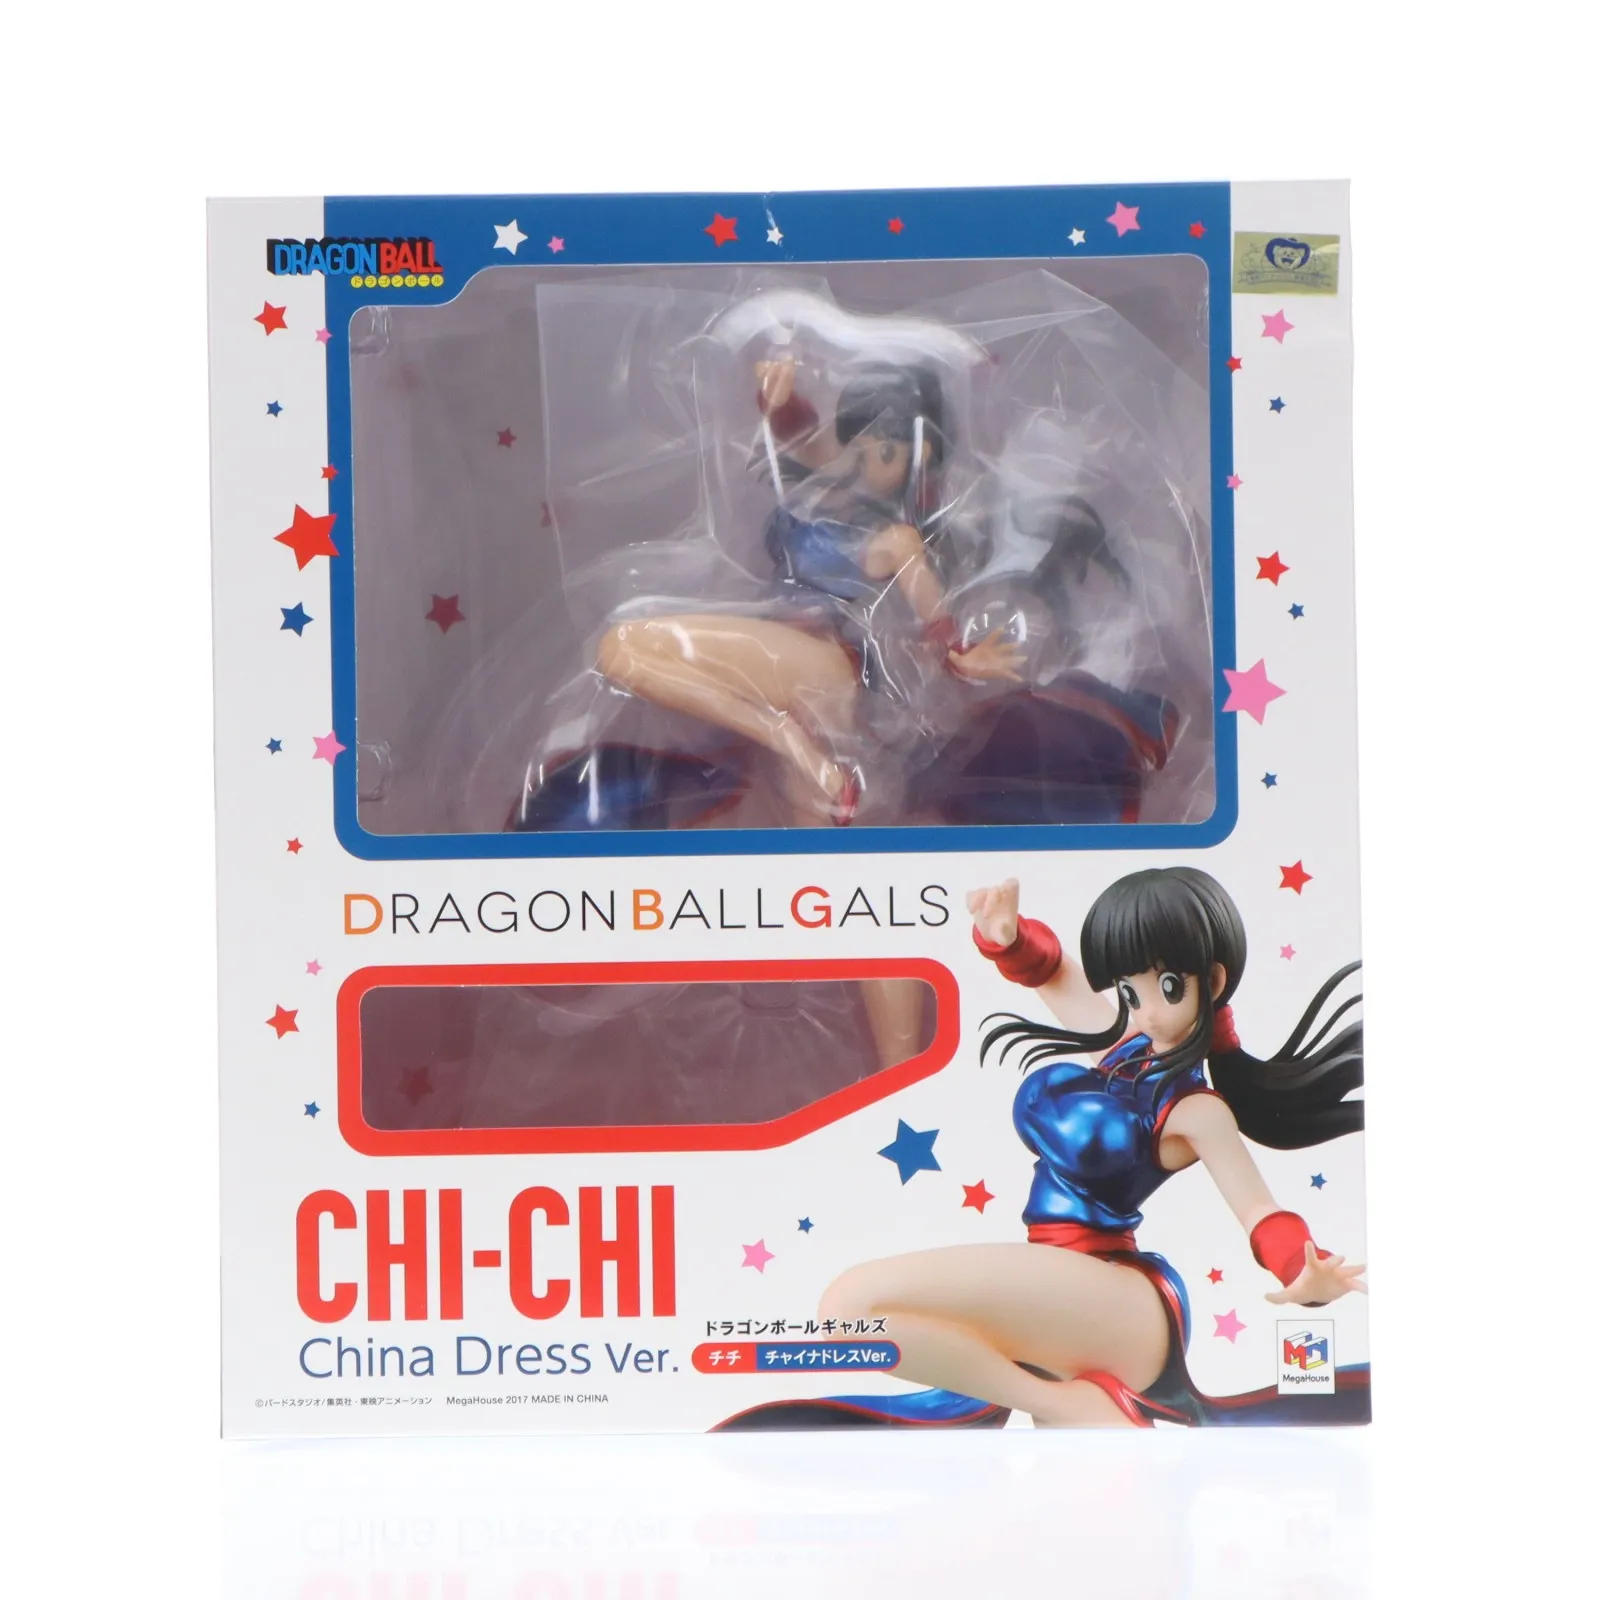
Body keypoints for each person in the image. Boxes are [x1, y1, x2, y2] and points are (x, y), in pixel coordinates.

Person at [717, 866, 1368, 1429]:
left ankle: (1071, 1404)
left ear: (1212, 980)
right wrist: (1006, 935)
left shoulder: (1197, 1110)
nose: (1142, 1009)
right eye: (1129, 991)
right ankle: (1066, 1408)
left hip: (1117, 1302)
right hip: (1065, 1292)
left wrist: (1303, 1271)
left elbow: (1260, 1212)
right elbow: (1052, 973)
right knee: (854, 1321)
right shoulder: (1123, 1047)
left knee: (851, 1306)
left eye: (1167, 986)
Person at [594, 357, 1023, 825]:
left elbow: (933, 616)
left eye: (886, 451)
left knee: (621, 649)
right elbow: (803, 439)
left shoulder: (894, 540)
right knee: (810, 826)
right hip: (797, 660)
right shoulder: (825, 496)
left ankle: (787, 737)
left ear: (918, 458)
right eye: (858, 443)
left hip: (819, 660)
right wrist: (780, 400)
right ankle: (811, 763)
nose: (862, 458)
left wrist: (962, 655)